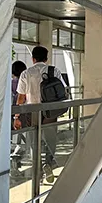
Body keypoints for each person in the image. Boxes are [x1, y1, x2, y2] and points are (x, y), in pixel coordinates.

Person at [14, 46, 65, 184]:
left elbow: (21, 98)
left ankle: (38, 169)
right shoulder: (54, 71)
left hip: (32, 112)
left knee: (33, 140)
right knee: (50, 139)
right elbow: (62, 91)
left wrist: (17, 117)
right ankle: (48, 162)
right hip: (50, 111)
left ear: (33, 59)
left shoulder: (26, 73)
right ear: (46, 58)